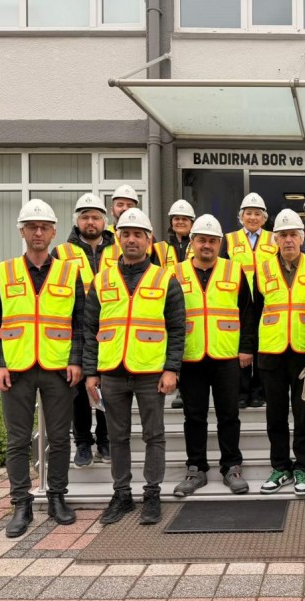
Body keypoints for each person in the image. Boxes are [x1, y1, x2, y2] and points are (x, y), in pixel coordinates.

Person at [0, 199, 84, 537]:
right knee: (17, 440)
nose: (38, 232)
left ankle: (57, 497)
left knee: (59, 438)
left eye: (44, 227)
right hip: (16, 368)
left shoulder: (70, 272)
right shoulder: (3, 271)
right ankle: (21, 504)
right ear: (22, 231)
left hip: (58, 367)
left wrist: (76, 360)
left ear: (54, 232)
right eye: (32, 227)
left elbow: (79, 322)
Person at [84, 208, 186, 526]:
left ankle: (152, 494)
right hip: (112, 372)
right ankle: (122, 494)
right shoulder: (101, 280)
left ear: (149, 239)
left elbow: (177, 328)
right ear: (117, 238)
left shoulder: (165, 279)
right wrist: (91, 372)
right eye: (126, 234)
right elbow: (89, 329)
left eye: (137, 235)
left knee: (154, 436)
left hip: (151, 371)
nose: (131, 239)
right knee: (117, 437)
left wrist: (171, 369)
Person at [172, 214, 254, 497]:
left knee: (229, 415)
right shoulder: (176, 273)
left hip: (226, 356)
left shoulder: (234, 271)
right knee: (193, 416)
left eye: (212, 241)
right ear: (192, 242)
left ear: (220, 244)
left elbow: (247, 312)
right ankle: (196, 468)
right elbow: (168, 316)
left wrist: (246, 348)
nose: (206, 245)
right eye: (201, 240)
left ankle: (231, 466)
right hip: (191, 356)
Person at [254, 209, 305, 496]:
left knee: (304, 415)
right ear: (275, 239)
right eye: (283, 235)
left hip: (304, 354)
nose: (288, 240)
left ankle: (301, 466)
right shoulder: (262, 269)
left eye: (292, 235)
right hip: (271, 353)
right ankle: (280, 467)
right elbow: (253, 312)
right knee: (275, 415)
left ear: (301, 237)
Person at [53, 193, 118, 468]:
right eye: (85, 217)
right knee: (79, 390)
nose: (90, 222)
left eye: (95, 217)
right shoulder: (61, 253)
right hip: (77, 330)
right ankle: (82, 442)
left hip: (112, 330)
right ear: (76, 221)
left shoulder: (119, 250)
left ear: (105, 221)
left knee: (107, 388)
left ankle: (105, 439)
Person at [225, 193, 278, 409]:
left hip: (266, 298)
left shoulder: (274, 239)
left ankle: (259, 391)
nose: (253, 218)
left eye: (257, 214)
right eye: (249, 213)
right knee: (242, 343)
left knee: (263, 344)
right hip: (239, 298)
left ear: (264, 218)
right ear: (241, 216)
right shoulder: (229, 239)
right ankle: (242, 390)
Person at [155, 199, 196, 409]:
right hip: (167, 302)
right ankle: (173, 382)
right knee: (171, 343)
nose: (180, 222)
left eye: (185, 219)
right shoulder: (159, 249)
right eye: (176, 218)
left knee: (187, 344)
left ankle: (183, 389)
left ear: (192, 222)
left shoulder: (197, 243)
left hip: (192, 301)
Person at [154, 199, 195, 268]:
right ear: (171, 222)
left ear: (191, 223)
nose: (180, 222)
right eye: (177, 219)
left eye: (184, 219)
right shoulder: (161, 248)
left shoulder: (198, 246)